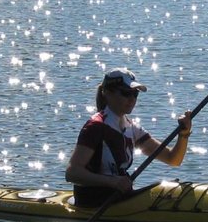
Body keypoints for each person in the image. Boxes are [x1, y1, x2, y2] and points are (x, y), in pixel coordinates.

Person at [65, 68, 192, 208]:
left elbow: (173, 159)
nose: (132, 99)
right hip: (94, 203)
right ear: (107, 93)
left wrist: (184, 134)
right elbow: (72, 173)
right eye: (126, 93)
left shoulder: (132, 128)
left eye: (135, 94)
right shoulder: (95, 127)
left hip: (121, 199)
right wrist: (112, 182)